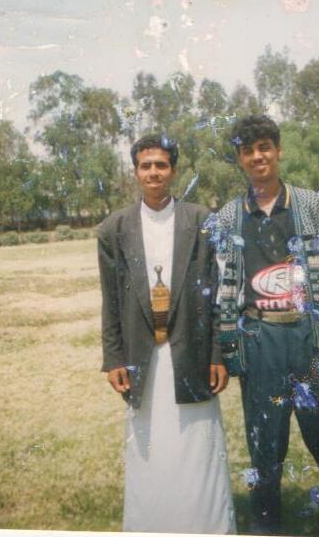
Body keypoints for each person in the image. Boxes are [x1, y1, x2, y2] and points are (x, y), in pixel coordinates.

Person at [214, 115, 319, 536]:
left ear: (278, 150)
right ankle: (267, 527)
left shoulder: (310, 205)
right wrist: (232, 341)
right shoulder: (229, 216)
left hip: (309, 335)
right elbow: (224, 285)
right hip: (260, 339)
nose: (257, 156)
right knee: (265, 447)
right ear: (240, 159)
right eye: (247, 151)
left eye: (264, 147)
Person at [98, 133, 236, 534]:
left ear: (174, 171)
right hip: (142, 354)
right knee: (150, 446)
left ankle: (206, 524)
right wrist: (113, 358)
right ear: (135, 172)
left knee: (196, 443)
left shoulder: (202, 222)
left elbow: (220, 294)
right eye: (146, 166)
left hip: (192, 352)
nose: (153, 173)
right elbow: (111, 299)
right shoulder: (114, 229)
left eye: (161, 165)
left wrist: (218, 354)